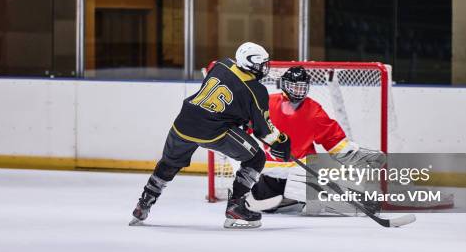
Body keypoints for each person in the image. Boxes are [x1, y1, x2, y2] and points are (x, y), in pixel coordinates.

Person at [130, 42, 291, 229]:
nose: (265, 67)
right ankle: (236, 207)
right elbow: (264, 131)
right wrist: (282, 141)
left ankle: (143, 204)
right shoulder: (257, 90)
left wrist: (241, 117)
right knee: (256, 158)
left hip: (184, 122)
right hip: (213, 131)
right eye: (262, 63)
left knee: (169, 163)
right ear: (250, 64)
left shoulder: (221, 64)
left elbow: (219, 95)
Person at [249, 66, 385, 215]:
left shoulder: (313, 110)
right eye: (293, 87)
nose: (297, 92)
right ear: (284, 85)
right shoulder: (267, 103)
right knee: (264, 203)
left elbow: (333, 139)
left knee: (317, 192)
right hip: (273, 173)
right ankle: (292, 199)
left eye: (301, 87)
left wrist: (354, 155)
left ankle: (359, 202)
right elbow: (245, 127)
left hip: (303, 169)